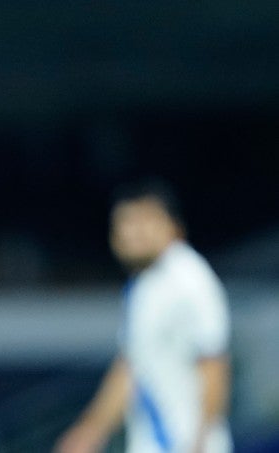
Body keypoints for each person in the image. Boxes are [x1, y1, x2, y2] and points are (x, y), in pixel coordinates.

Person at [55, 179, 232, 453]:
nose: (133, 232)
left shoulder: (190, 280)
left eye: (145, 220)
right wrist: (90, 430)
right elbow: (131, 367)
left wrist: (199, 443)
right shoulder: (145, 286)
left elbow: (213, 365)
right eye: (125, 223)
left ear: (172, 226)